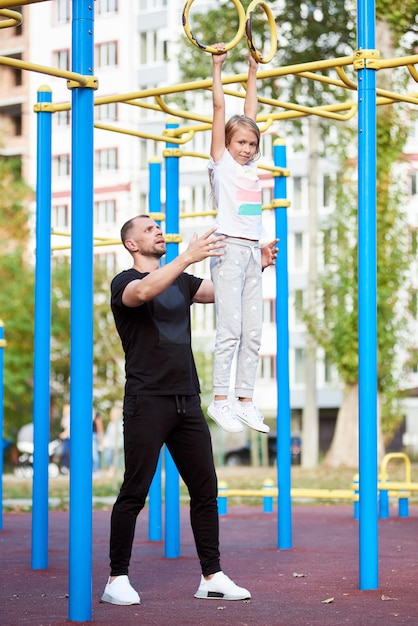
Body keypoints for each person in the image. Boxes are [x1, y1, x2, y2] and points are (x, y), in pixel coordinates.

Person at [101, 214, 277, 606]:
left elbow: (224, 292)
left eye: (157, 227)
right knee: (134, 491)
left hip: (187, 399)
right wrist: (187, 257)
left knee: (205, 490)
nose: (157, 231)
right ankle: (116, 578)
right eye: (148, 229)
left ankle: (211, 576)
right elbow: (144, 292)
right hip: (147, 401)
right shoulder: (125, 283)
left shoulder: (182, 281)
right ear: (131, 244)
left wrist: (257, 263)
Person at [207, 43, 271, 435]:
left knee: (255, 332)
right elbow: (221, 111)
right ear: (227, 146)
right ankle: (219, 400)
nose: (246, 149)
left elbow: (251, 113)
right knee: (229, 329)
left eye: (251, 144)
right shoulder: (222, 164)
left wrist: (252, 69)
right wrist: (218, 68)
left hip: (251, 252)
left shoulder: (251, 166)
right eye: (240, 144)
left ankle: (245, 400)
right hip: (229, 248)